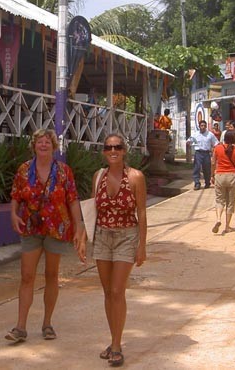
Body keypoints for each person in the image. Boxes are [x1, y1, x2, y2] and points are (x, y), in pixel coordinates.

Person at [6, 129, 86, 343]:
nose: (43, 145)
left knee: (52, 275)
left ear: (53, 146)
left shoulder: (63, 171)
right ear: (34, 146)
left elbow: (72, 199)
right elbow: (16, 195)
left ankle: (47, 323)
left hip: (57, 228)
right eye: (39, 142)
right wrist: (13, 214)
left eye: (47, 142)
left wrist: (79, 227)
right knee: (27, 276)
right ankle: (20, 327)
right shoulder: (24, 170)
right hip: (31, 228)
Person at [92, 134, 147, 367]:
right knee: (107, 292)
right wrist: (84, 236)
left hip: (126, 236)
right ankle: (113, 338)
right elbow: (92, 209)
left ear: (124, 150)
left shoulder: (135, 177)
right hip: (102, 236)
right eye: (108, 147)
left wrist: (142, 245)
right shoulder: (98, 177)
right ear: (104, 152)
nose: (112, 150)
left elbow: (142, 212)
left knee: (117, 291)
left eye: (117, 147)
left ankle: (116, 345)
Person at [210, 130, 235, 235]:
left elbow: (213, 162)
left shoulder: (217, 148)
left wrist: (212, 175)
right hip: (232, 176)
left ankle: (218, 219)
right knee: (230, 202)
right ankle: (227, 226)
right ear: (234, 139)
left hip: (219, 175)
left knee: (220, 200)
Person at [187, 120, 219, 190]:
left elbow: (216, 143)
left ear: (206, 126)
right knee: (197, 168)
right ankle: (197, 183)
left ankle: (207, 182)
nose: (203, 127)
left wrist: (216, 152)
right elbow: (189, 141)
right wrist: (189, 143)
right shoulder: (195, 134)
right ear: (199, 126)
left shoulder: (210, 135)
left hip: (206, 153)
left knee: (207, 169)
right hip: (198, 153)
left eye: (204, 126)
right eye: (202, 125)